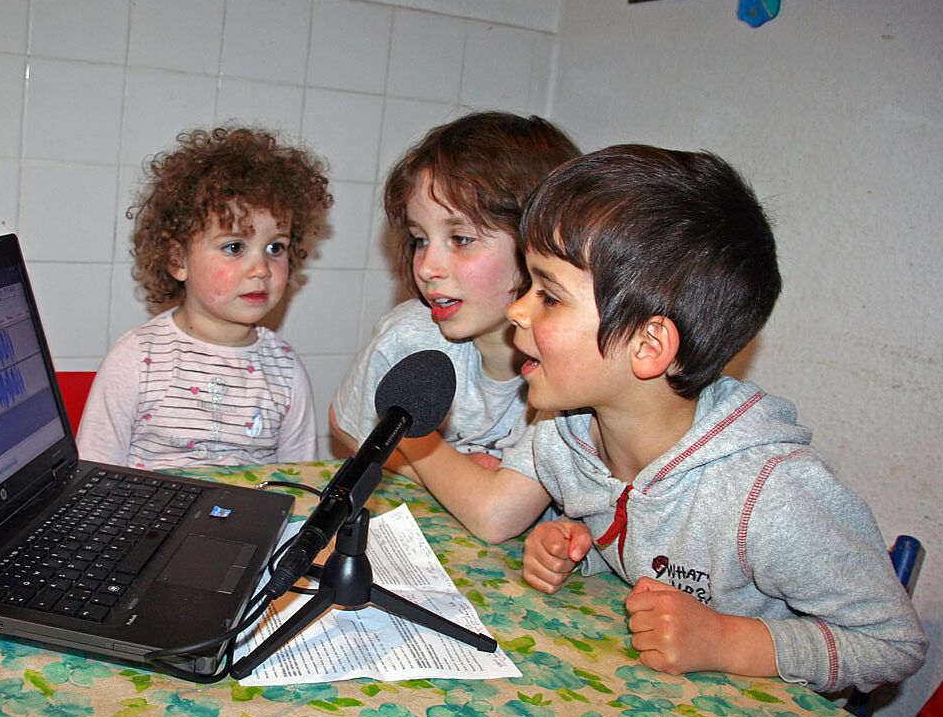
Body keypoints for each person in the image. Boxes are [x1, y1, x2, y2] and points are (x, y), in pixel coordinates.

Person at [412, 144, 926, 693]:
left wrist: (727, 641)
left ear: (649, 344)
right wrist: (571, 545)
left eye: (550, 297)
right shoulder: (561, 437)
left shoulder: (769, 497)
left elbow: (894, 645)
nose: (517, 309)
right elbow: (643, 543)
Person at [329, 111, 580, 539]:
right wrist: (457, 470)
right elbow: (345, 423)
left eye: (460, 239)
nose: (427, 267)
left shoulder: (570, 374)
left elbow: (497, 516)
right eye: (420, 239)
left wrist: (411, 443)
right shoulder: (410, 336)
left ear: (539, 245)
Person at [77, 126, 332, 469]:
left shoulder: (285, 371)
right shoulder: (136, 359)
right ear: (178, 259)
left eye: (276, 248)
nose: (261, 269)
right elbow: (92, 476)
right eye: (234, 247)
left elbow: (302, 482)